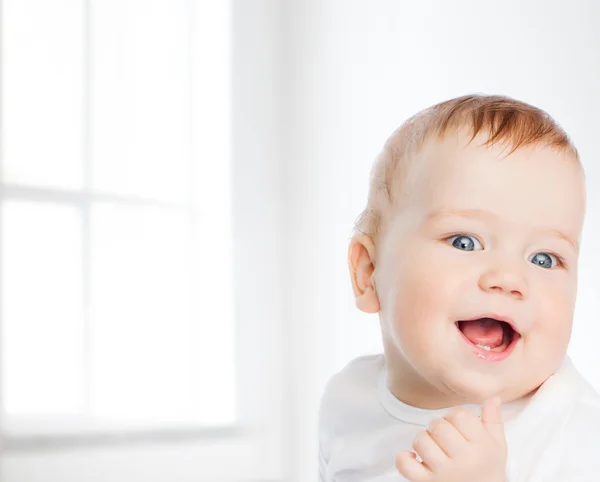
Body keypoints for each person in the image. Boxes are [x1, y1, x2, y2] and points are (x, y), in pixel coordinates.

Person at [318, 94, 600, 481]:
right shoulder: (348, 401)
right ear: (369, 273)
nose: (509, 278)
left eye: (544, 259)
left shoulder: (573, 432)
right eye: (465, 241)